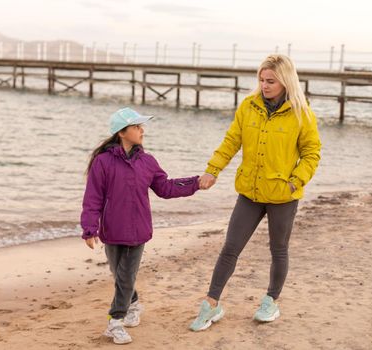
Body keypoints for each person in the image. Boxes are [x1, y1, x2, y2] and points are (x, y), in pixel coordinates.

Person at [189, 54, 321, 331]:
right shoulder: (248, 107)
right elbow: (231, 141)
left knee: (278, 250)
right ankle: (211, 304)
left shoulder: (302, 112)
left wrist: (295, 181)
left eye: (271, 81)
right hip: (249, 193)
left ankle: (271, 301)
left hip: (283, 195)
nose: (264, 85)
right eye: (261, 80)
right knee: (230, 248)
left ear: (285, 81)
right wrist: (213, 170)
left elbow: (312, 152)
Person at [81, 107, 200, 344]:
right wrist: (89, 228)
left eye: (140, 126)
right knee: (119, 276)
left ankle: (115, 322)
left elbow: (165, 188)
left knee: (125, 277)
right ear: (122, 132)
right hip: (112, 230)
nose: (142, 130)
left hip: (139, 231)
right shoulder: (102, 162)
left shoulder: (147, 161)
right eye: (136, 126)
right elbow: (92, 197)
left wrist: (196, 183)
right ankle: (134, 305)